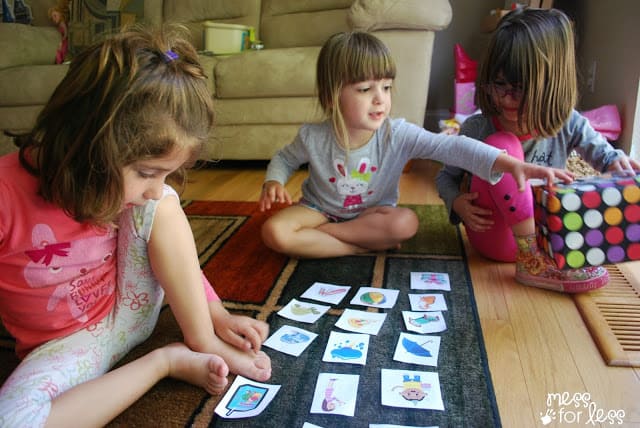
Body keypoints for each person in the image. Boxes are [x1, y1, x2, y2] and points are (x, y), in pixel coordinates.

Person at [0, 25, 271, 427]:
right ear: (91, 147)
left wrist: (215, 314)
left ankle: (198, 337)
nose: (153, 188)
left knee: (162, 207)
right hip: (62, 351)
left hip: (132, 308)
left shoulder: (142, 196)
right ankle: (165, 361)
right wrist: (161, 363)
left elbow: (177, 255)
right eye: (147, 172)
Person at [258, 31, 572, 259]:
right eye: (365, 89)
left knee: (407, 223)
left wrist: (506, 163)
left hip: (374, 215)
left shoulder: (399, 134)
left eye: (386, 87)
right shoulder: (313, 136)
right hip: (318, 211)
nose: (380, 98)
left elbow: (453, 148)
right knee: (274, 232)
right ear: (331, 96)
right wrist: (274, 180)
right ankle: (358, 245)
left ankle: (321, 242)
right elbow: (285, 158)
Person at [436, 8, 640, 293]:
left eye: (520, 89)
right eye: (499, 84)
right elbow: (445, 178)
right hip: (495, 238)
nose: (507, 98)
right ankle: (530, 260)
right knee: (501, 146)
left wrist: (618, 164)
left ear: (552, 88)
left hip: (550, 241)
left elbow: (604, 155)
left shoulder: (568, 123)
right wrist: (457, 203)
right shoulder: (477, 128)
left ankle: (541, 261)